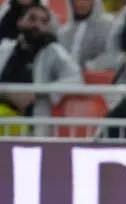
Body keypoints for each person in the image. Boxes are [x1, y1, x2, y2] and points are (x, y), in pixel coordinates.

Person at [0, 4, 82, 136]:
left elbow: (76, 79)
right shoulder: (5, 49)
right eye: (32, 19)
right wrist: (8, 93)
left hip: (31, 123)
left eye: (43, 21)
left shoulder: (53, 51)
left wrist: (37, 92)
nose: (37, 25)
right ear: (20, 22)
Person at [58, 0, 113, 69]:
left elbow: (113, 54)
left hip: (96, 74)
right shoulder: (64, 32)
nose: (82, 3)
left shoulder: (107, 25)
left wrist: (90, 66)